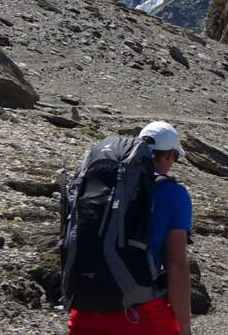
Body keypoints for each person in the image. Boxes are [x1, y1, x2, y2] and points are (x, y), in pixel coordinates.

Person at [67, 121, 194, 335]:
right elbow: (176, 266)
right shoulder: (173, 194)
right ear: (171, 155)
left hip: (85, 310)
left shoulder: (100, 183)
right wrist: (185, 328)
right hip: (140, 316)